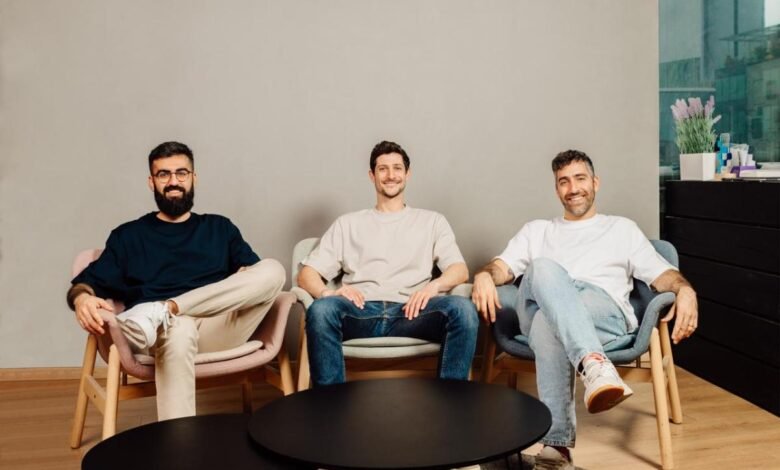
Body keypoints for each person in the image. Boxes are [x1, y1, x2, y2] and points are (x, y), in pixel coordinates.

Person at [471, 150, 698, 469]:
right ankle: (594, 365)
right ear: (556, 189)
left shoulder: (622, 229)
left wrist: (685, 288)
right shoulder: (537, 230)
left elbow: (662, 275)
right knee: (543, 268)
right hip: (540, 307)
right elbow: (502, 268)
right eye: (563, 181)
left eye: (579, 179)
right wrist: (483, 274)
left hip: (603, 314)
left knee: (547, 325)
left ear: (595, 182)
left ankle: (556, 452)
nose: (572, 188)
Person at [66, 141, 285, 420]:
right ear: (151, 182)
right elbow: (85, 283)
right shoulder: (128, 236)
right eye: (164, 174)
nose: (173, 182)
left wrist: (238, 281)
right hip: (164, 335)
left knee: (273, 269)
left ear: (194, 178)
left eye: (181, 173)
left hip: (219, 326)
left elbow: (255, 278)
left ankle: (167, 308)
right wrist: (83, 298)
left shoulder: (220, 227)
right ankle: (178, 451)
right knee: (178, 329)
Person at [297, 140, 479, 386]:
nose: (391, 175)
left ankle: (450, 402)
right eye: (383, 169)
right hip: (360, 312)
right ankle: (330, 408)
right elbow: (307, 274)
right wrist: (329, 292)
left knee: (464, 311)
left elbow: (459, 269)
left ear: (407, 174)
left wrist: (432, 288)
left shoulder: (432, 221)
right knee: (320, 310)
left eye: (397, 168)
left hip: (413, 312)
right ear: (372, 175)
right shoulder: (347, 224)